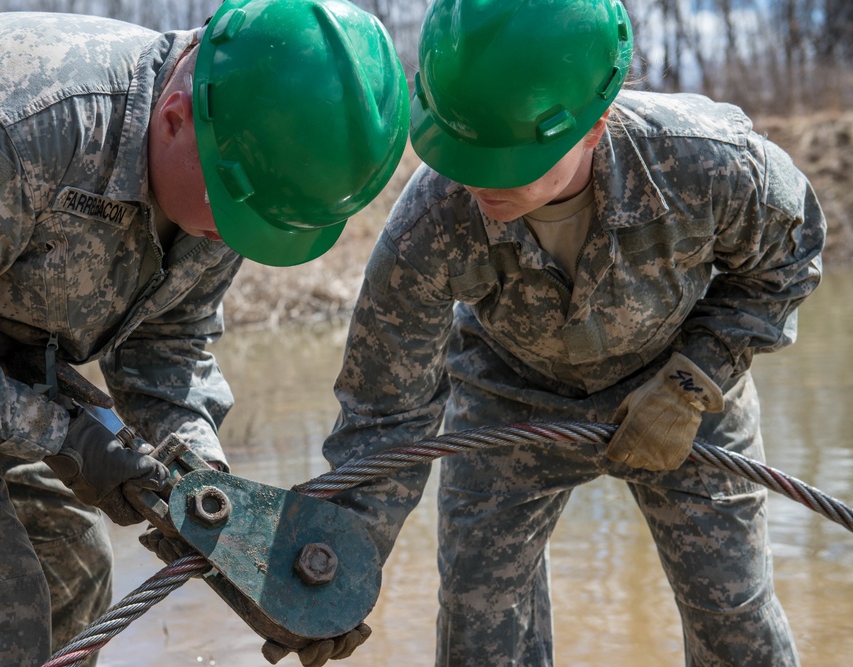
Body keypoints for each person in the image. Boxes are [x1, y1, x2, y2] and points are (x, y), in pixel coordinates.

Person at [0, 0, 408, 664]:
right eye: (235, 216)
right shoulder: (9, 123)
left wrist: (220, 510)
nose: (237, 238)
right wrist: (61, 430)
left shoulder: (235, 169)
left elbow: (166, 344)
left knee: (71, 569)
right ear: (175, 119)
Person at [320, 0, 827, 664]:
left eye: (508, 159)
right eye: (466, 152)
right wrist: (335, 568)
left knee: (734, 613)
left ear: (594, 127)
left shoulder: (705, 164)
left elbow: (788, 259)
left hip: (681, 386)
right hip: (510, 398)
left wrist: (693, 381)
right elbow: (384, 409)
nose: (478, 180)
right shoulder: (431, 221)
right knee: (480, 624)